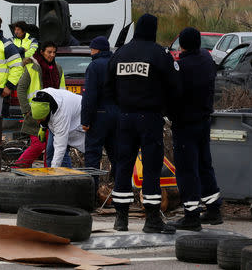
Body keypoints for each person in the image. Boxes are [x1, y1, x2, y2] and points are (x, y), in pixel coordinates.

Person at [105, 13, 180, 234]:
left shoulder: (121, 53)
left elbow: (107, 86)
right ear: (153, 30)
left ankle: (121, 218)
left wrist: (120, 107)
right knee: (151, 168)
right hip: (150, 118)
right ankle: (152, 219)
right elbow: (175, 86)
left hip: (125, 118)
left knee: (123, 165)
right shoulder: (159, 54)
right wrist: (165, 110)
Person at [169, 27, 222, 231]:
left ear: (182, 44)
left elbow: (173, 94)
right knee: (204, 164)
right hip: (203, 121)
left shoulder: (181, 66)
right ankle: (213, 209)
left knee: (186, 169)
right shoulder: (207, 60)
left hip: (185, 124)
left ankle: (191, 214)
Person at [13, 40, 66, 168]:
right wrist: (26, 110)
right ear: (41, 52)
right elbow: (21, 89)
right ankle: (19, 166)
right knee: (39, 144)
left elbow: (62, 90)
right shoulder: (32, 68)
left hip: (53, 114)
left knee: (51, 145)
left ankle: (48, 171)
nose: (52, 55)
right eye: (49, 52)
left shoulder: (58, 68)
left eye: (54, 52)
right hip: (35, 113)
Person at [81, 36, 118, 191]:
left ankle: (92, 191)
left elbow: (90, 96)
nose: (90, 52)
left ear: (97, 50)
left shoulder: (94, 66)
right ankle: (121, 189)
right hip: (117, 115)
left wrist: (86, 120)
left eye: (91, 49)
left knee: (92, 154)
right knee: (117, 154)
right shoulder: (116, 64)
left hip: (98, 116)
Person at [29, 88, 85, 167]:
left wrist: (54, 172)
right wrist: (43, 127)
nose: (38, 122)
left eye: (40, 120)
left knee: (60, 155)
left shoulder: (62, 114)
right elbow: (42, 115)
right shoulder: (42, 98)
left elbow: (60, 147)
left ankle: (66, 178)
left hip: (77, 122)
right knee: (50, 154)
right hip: (58, 124)